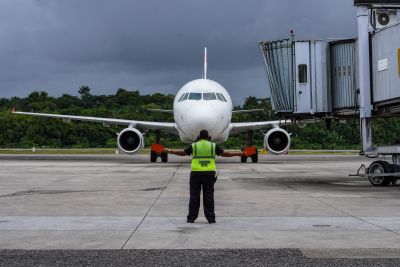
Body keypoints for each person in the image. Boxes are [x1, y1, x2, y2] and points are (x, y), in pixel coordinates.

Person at [163, 130, 244, 224]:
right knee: (209, 196)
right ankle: (211, 218)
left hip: (196, 173)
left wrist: (168, 150)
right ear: (209, 137)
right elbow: (226, 154)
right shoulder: (213, 146)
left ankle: (191, 218)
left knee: (194, 196)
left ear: (199, 137)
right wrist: (241, 153)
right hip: (209, 173)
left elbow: (182, 153)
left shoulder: (194, 145)